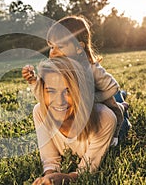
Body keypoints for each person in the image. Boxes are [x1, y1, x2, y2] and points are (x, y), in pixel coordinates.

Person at [22, 15, 128, 146]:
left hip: (101, 101)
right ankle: (122, 99)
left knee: (116, 113)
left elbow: (112, 88)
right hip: (79, 107)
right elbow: (46, 96)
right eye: (51, 47)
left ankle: (122, 110)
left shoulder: (92, 68)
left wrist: (92, 99)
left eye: (59, 47)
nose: (53, 53)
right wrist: (33, 81)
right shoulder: (56, 70)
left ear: (79, 48)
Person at [31, 57, 117, 185]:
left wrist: (67, 178)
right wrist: (49, 177)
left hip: (115, 131)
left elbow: (87, 169)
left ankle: (121, 101)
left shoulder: (105, 119)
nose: (59, 101)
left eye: (68, 91)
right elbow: (50, 159)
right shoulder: (40, 112)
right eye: (51, 91)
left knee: (119, 103)